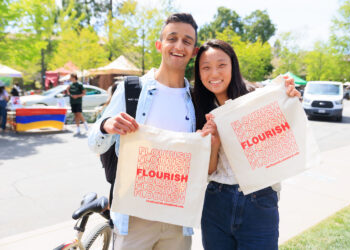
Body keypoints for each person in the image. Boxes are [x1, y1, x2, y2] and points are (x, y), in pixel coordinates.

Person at [88, 13, 199, 250]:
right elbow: (93, 144)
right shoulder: (132, 89)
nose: (179, 45)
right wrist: (106, 125)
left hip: (177, 221)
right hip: (134, 220)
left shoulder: (197, 99)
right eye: (173, 38)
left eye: (187, 41)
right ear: (160, 45)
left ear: (194, 51)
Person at [193, 39, 301, 250]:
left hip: (259, 200)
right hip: (217, 199)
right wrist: (213, 144)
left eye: (221, 65)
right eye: (206, 68)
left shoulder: (256, 97)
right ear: (199, 72)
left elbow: (282, 143)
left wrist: (289, 101)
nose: (214, 74)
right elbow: (208, 169)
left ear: (233, 65)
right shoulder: (201, 107)